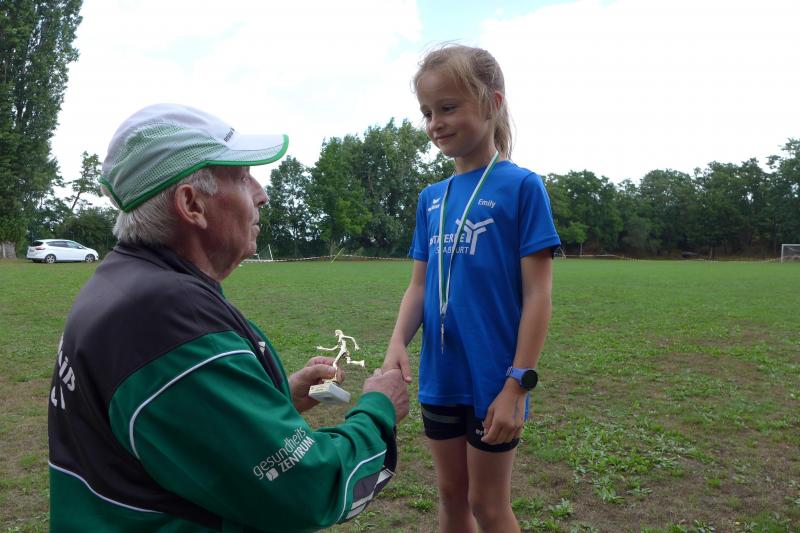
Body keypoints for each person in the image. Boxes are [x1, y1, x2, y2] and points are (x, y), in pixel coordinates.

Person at [47, 103, 409, 532]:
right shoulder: (168, 320)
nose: (261, 193)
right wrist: (378, 410)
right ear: (192, 204)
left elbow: (178, 430)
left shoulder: (121, 282)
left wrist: (274, 397)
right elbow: (310, 489)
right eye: (241, 177)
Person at [382, 45, 561, 533]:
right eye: (426, 112)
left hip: (495, 379)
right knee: (451, 497)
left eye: (447, 107)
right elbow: (419, 285)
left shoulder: (522, 188)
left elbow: (538, 296)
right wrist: (398, 341)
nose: (435, 123)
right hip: (440, 376)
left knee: (488, 504)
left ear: (492, 103)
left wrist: (517, 384)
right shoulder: (431, 198)